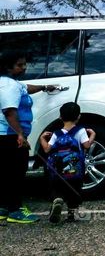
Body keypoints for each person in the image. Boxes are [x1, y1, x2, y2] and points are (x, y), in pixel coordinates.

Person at [0, 53, 58, 224]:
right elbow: (9, 112)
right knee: (16, 173)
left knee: (5, 173)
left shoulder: (11, 83)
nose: (24, 68)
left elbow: (26, 88)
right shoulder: (8, 86)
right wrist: (20, 135)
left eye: (25, 64)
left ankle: (3, 208)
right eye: (20, 65)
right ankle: (15, 211)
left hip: (6, 135)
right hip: (10, 136)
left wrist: (44, 86)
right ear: (8, 67)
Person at [40, 102, 95, 224]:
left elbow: (47, 149)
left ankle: (57, 199)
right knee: (74, 189)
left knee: (57, 188)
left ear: (60, 117)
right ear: (78, 116)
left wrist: (42, 138)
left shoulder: (56, 133)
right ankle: (71, 213)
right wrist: (92, 135)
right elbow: (86, 145)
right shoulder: (81, 131)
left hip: (58, 170)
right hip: (75, 170)